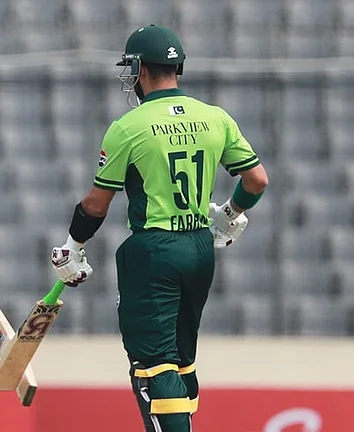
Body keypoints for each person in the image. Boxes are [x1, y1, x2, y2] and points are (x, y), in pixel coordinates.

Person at [49, 25, 269, 432]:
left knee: (153, 364)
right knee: (182, 359)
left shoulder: (129, 126)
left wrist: (72, 246)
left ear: (140, 69)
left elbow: (97, 203)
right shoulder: (215, 117)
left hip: (155, 251)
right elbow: (257, 179)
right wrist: (230, 212)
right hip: (200, 249)